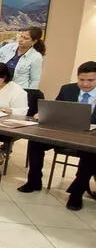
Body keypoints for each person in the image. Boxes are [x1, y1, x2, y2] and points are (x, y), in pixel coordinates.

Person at [17, 61, 96, 210]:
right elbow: (56, 109)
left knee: (91, 154)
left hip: (91, 137)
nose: (85, 84)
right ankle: (34, 181)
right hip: (64, 133)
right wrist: (45, 114)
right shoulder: (68, 89)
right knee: (35, 141)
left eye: (91, 80)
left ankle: (77, 193)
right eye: (81, 79)